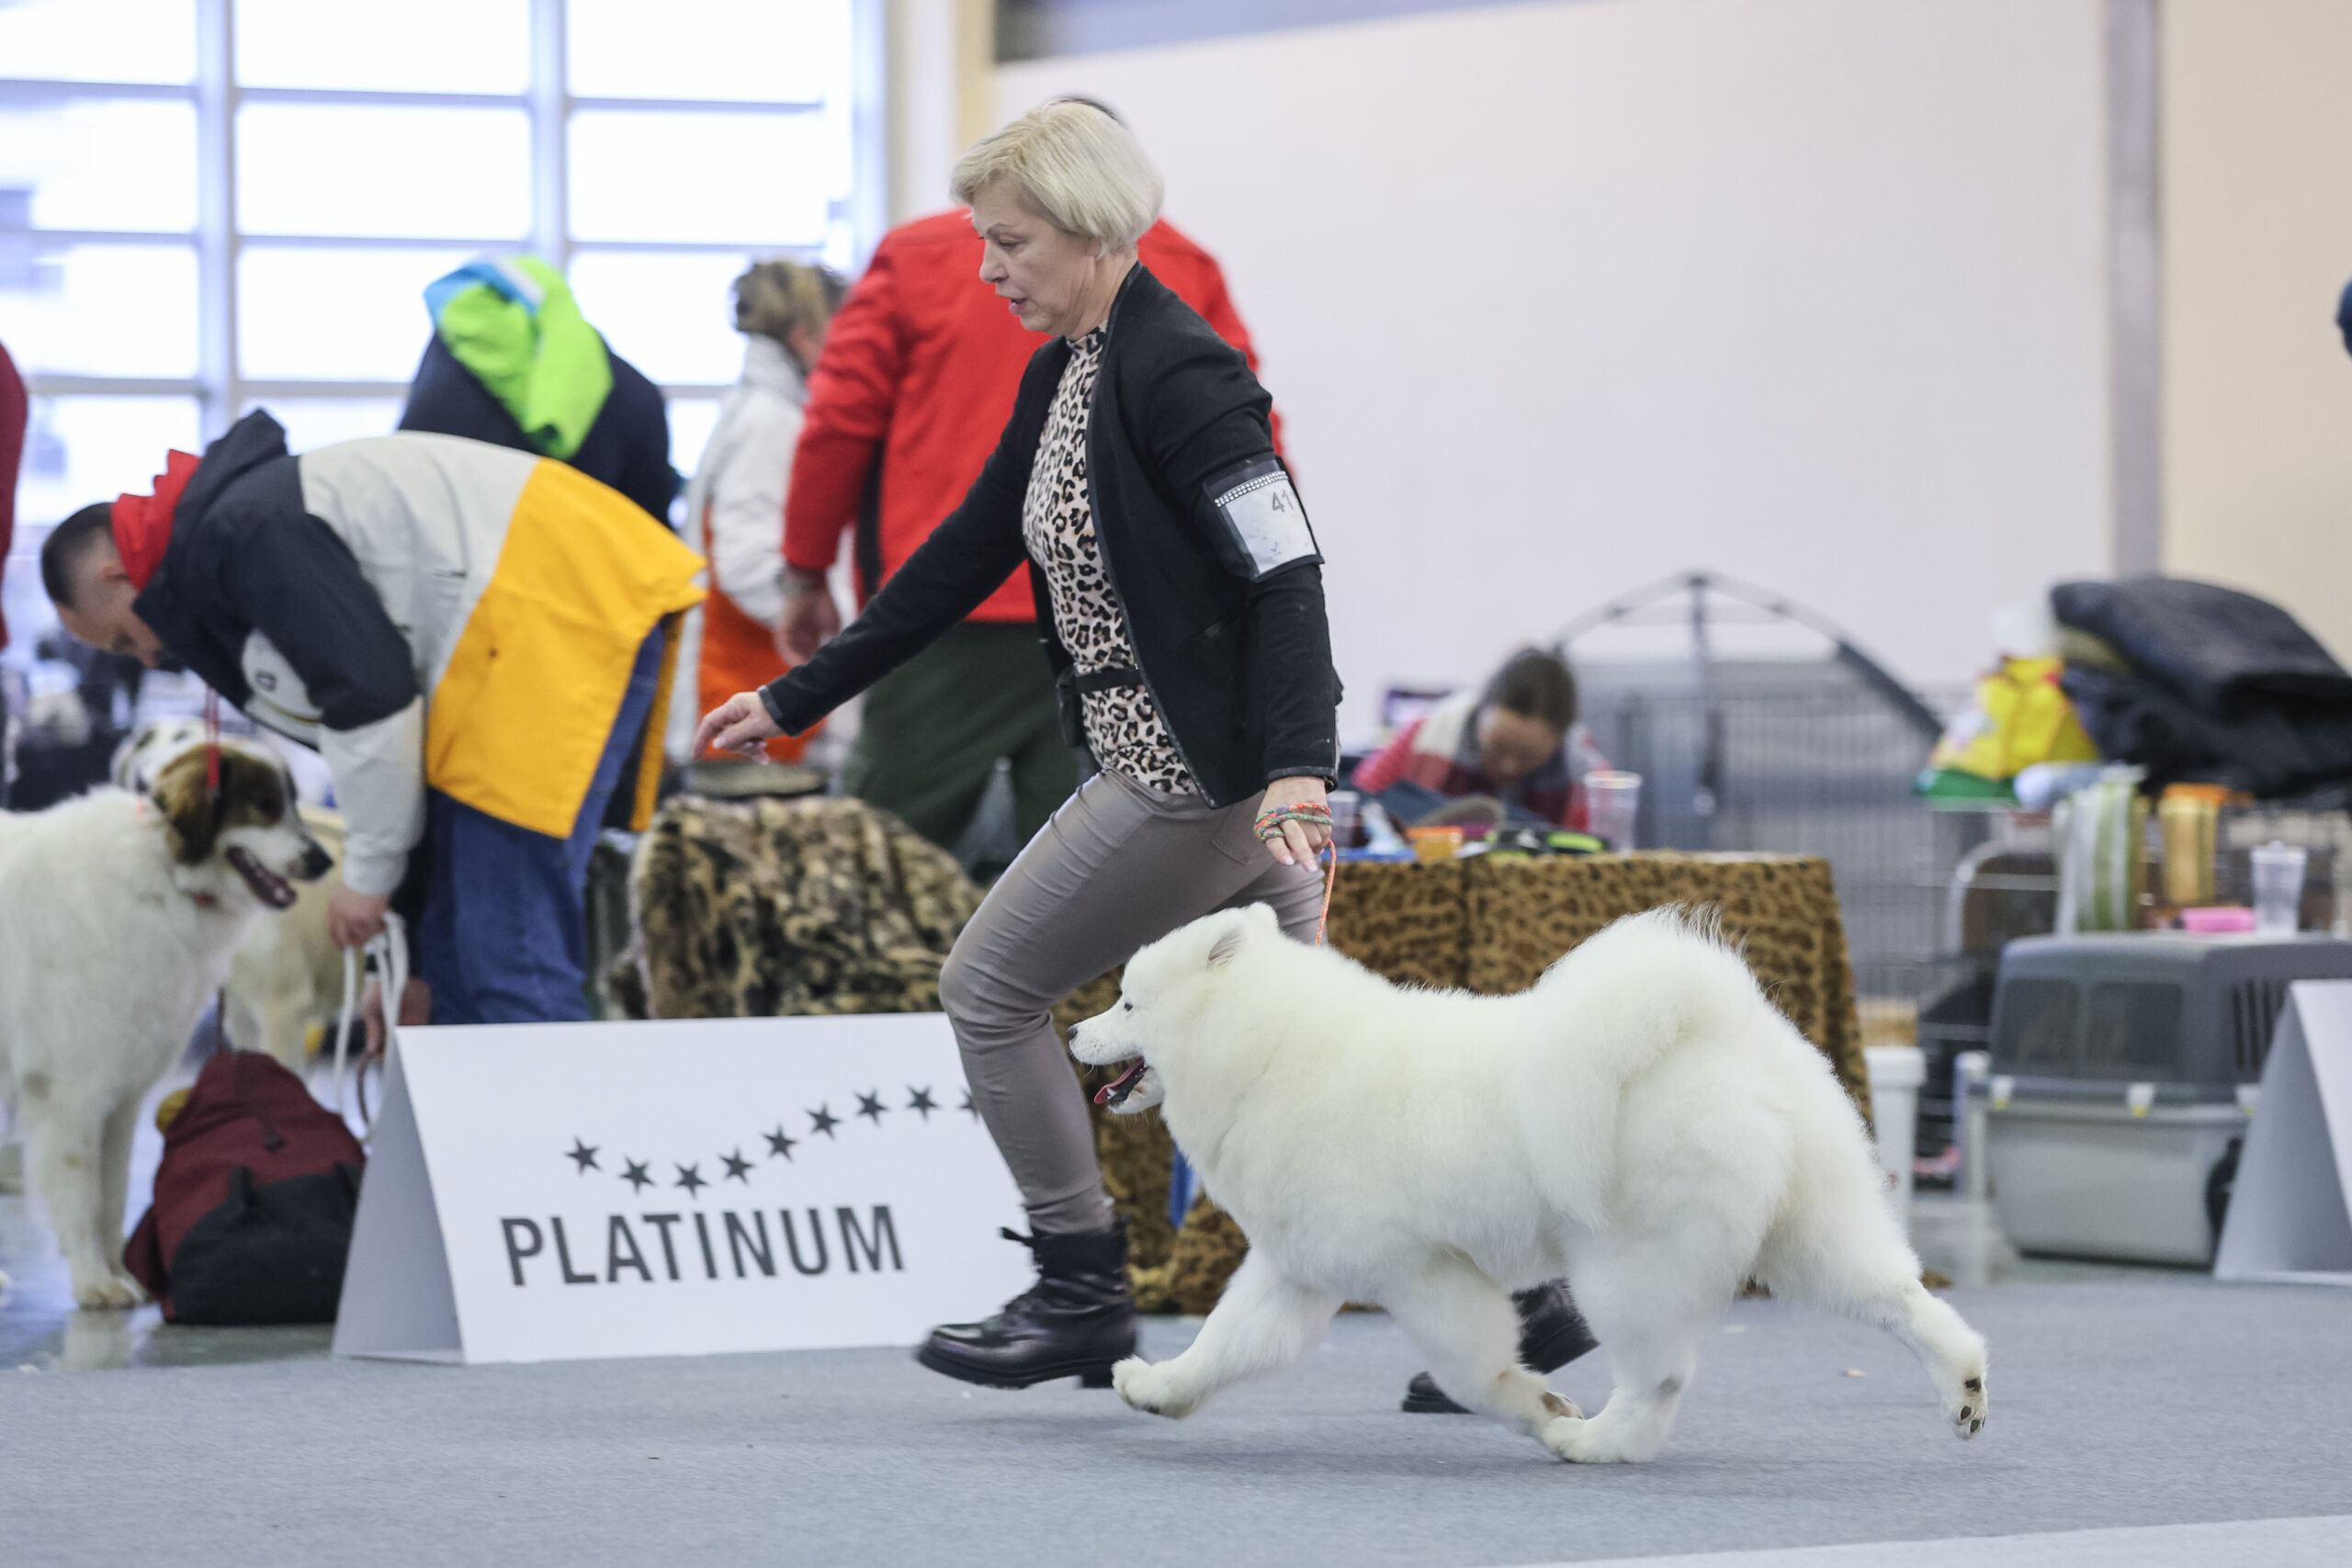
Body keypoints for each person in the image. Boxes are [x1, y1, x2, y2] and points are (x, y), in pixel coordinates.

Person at [699, 100, 1339, 1390]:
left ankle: (1080, 1285)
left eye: (1011, 242)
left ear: (1093, 230)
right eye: (985, 240)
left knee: (987, 991)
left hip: (1195, 775)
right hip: (1191, 766)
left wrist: (1298, 770)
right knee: (1324, 1060)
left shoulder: (1185, 372)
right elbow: (962, 555)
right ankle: (1536, 1305)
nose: (989, 268)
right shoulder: (1067, 370)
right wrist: (797, 695)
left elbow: (1286, 572)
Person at [39, 412, 702, 1023]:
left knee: (508, 946)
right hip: (528, 626)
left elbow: (373, 705)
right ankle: (468, 1113)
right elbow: (399, 758)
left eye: (123, 639)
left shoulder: (244, 534)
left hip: (553, 607)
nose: (146, 658)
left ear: (118, 574)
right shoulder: (227, 558)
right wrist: (404, 965)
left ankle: (549, 1119)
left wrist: (368, 885)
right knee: (455, 953)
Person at [778, 107, 1282, 863]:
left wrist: (805, 568)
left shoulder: (917, 255)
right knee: (1084, 876)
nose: (992, 266)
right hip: (1117, 630)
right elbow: (1252, 451)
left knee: (870, 865)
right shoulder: (1180, 266)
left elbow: (838, 425)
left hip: (961, 630)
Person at [668, 260, 844, 764]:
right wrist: (835, 623)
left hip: (758, 701)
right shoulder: (770, 422)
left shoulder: (765, 410)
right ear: (806, 336)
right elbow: (746, 564)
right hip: (744, 700)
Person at [399, 254, 677, 526]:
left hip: (437, 539)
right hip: (568, 546)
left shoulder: (450, 351)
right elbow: (651, 528)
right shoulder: (635, 391)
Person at [1353, 647, 1611, 830]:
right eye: (1496, 747)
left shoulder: (1588, 780)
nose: (1508, 766)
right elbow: (1356, 801)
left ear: (1560, 739)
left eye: (1528, 757)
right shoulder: (1428, 736)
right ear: (1480, 711)